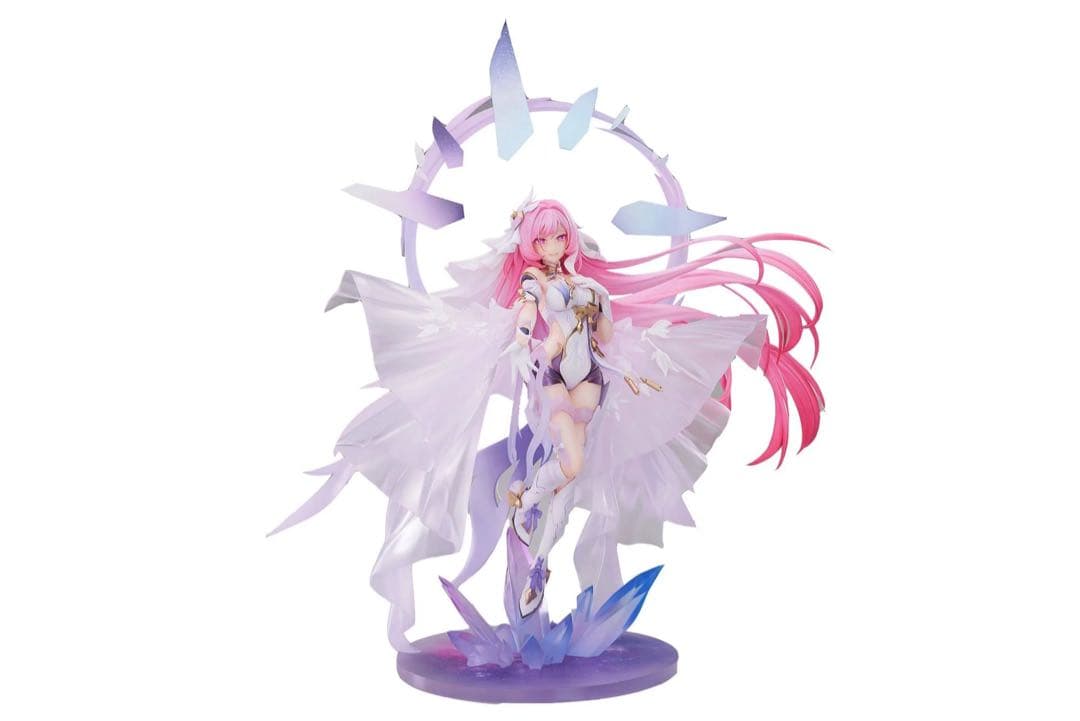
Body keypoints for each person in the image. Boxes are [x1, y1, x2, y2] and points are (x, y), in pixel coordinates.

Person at [270, 192, 825, 652]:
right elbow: (531, 321)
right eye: (543, 239)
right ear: (530, 245)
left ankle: (535, 548)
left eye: (560, 237)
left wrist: (605, 323)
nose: (553, 246)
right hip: (555, 382)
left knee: (573, 481)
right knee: (571, 464)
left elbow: (605, 338)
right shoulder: (536, 283)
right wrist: (524, 342)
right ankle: (526, 510)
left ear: (571, 239)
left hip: (594, 384)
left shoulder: (589, 287)